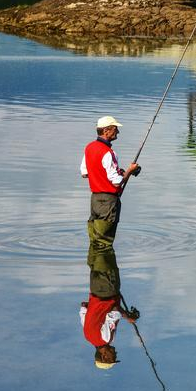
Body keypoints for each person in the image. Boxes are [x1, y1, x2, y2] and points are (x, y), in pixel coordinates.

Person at [80, 115, 141, 300]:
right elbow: (115, 181)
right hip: (108, 201)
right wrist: (129, 171)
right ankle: (103, 273)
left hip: (95, 199)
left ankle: (98, 270)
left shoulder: (89, 148)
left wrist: (123, 313)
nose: (118, 132)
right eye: (115, 129)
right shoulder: (108, 152)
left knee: (95, 240)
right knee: (104, 244)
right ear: (106, 130)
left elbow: (85, 173)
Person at [80, 293, 139, 369]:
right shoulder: (88, 336)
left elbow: (115, 309)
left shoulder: (106, 339)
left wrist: (128, 317)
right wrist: (96, 307)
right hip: (95, 291)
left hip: (108, 292)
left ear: (104, 357)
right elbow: (84, 305)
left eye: (113, 357)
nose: (116, 354)